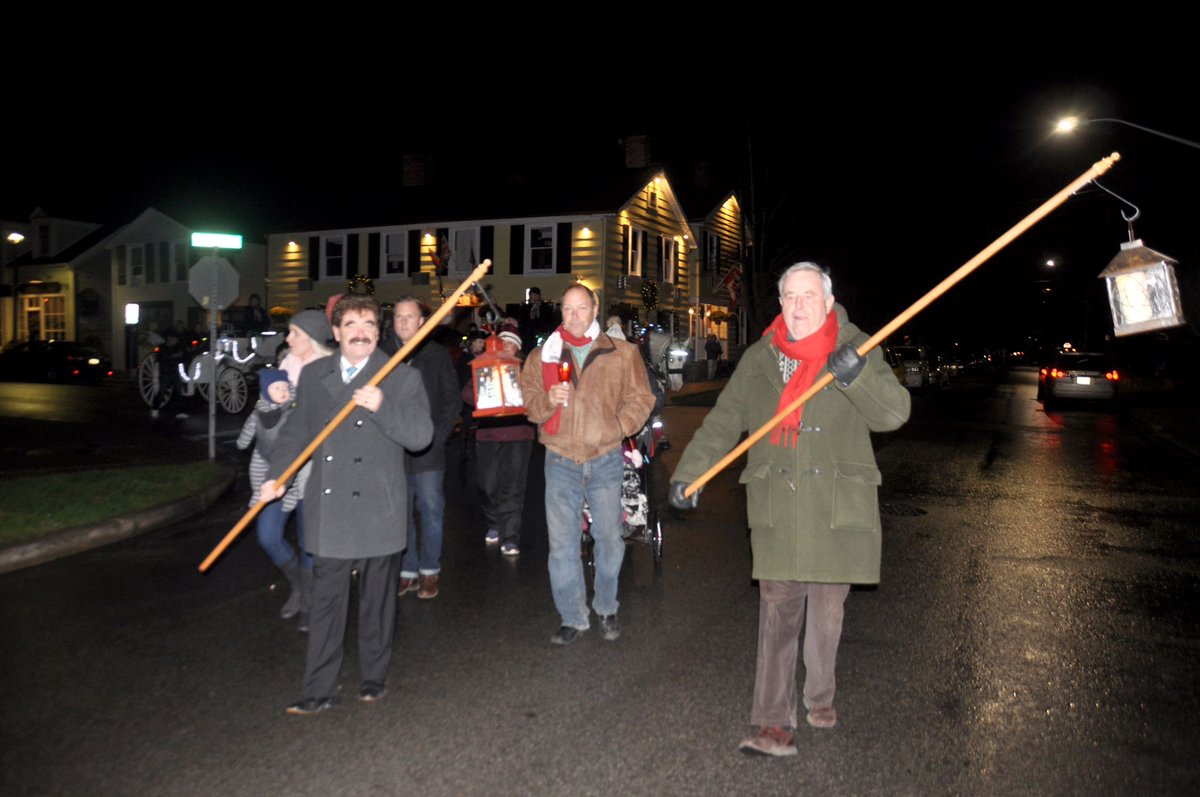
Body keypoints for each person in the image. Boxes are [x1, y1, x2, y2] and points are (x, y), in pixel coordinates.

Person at [668, 262, 911, 757]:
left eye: (808, 296)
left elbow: (894, 413)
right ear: (780, 303)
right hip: (779, 502)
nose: (798, 307)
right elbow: (724, 420)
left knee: (826, 614)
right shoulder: (760, 357)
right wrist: (691, 471)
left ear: (827, 300)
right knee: (778, 615)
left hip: (835, 505)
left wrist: (858, 376)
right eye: (789, 297)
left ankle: (820, 692)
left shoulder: (856, 347)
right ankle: (772, 724)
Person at [262, 294, 433, 715]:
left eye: (369, 324)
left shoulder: (400, 377)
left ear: (378, 332)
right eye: (352, 324)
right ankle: (319, 689)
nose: (361, 332)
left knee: (377, 604)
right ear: (336, 333)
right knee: (325, 605)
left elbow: (420, 436)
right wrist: (277, 476)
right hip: (331, 510)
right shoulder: (316, 375)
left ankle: (373, 677)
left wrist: (382, 406)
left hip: (380, 506)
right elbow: (295, 434)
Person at [520, 285, 656, 645]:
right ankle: (572, 615)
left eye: (581, 308)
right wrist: (548, 400)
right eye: (567, 309)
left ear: (595, 310)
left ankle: (607, 606)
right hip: (560, 458)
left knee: (609, 539)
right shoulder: (542, 355)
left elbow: (642, 398)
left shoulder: (622, 354)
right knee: (562, 545)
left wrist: (619, 427)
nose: (574, 315)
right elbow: (530, 403)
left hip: (605, 458)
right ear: (561, 312)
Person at [382, 297, 461, 600]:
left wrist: (436, 436)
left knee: (431, 510)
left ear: (421, 321)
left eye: (410, 317)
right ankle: (407, 570)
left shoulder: (436, 355)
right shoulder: (383, 355)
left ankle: (430, 570)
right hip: (394, 450)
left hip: (429, 450)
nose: (403, 322)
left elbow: (451, 401)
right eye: (399, 317)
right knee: (400, 513)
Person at [275, 309, 336, 630]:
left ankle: (313, 602)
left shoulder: (329, 369)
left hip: (318, 466)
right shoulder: (285, 365)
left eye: (294, 333)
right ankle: (304, 591)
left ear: (311, 335)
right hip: (288, 463)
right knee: (285, 535)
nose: (288, 339)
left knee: (312, 535)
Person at [237, 369, 305, 622]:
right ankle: (298, 583)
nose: (283, 392)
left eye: (285, 387)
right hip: (266, 480)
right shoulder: (259, 412)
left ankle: (313, 594)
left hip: (299, 479)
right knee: (268, 537)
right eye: (277, 388)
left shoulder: (296, 409)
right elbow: (244, 441)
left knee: (313, 542)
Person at [463, 322, 535, 556]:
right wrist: (484, 397)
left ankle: (510, 536)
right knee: (486, 483)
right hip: (489, 434)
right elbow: (466, 393)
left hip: (518, 434)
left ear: (518, 349)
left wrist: (523, 400)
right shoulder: (486, 366)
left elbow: (537, 399)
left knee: (512, 487)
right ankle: (494, 522)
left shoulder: (524, 370)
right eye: (503, 343)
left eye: (511, 345)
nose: (506, 348)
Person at [517, 286, 558, 354]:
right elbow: (523, 321)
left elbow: (549, 319)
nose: (535, 296)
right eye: (533, 295)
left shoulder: (545, 307)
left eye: (536, 295)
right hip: (529, 335)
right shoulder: (524, 307)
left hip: (542, 332)